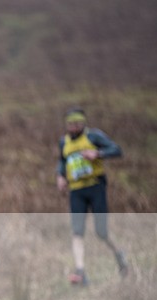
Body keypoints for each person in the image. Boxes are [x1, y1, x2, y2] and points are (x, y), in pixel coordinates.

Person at [55, 107, 127, 285]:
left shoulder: (94, 137)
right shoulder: (64, 142)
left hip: (96, 187)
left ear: (83, 123)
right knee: (77, 231)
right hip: (76, 191)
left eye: (78, 123)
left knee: (101, 232)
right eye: (71, 123)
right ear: (67, 124)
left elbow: (117, 150)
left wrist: (98, 153)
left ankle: (119, 254)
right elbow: (62, 161)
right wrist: (60, 176)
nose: (74, 126)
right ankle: (80, 272)